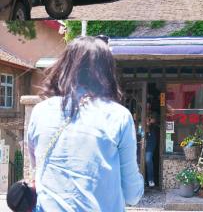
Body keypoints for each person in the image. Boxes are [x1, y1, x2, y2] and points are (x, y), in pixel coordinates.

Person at [26, 36, 144, 211]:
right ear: (107, 72)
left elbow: (37, 171)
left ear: (65, 66)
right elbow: (132, 195)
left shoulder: (40, 112)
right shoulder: (119, 116)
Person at [145, 114, 160, 187]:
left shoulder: (153, 116)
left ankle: (150, 179)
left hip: (150, 141)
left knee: (148, 159)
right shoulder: (138, 113)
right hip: (141, 141)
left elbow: (157, 121)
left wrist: (149, 123)